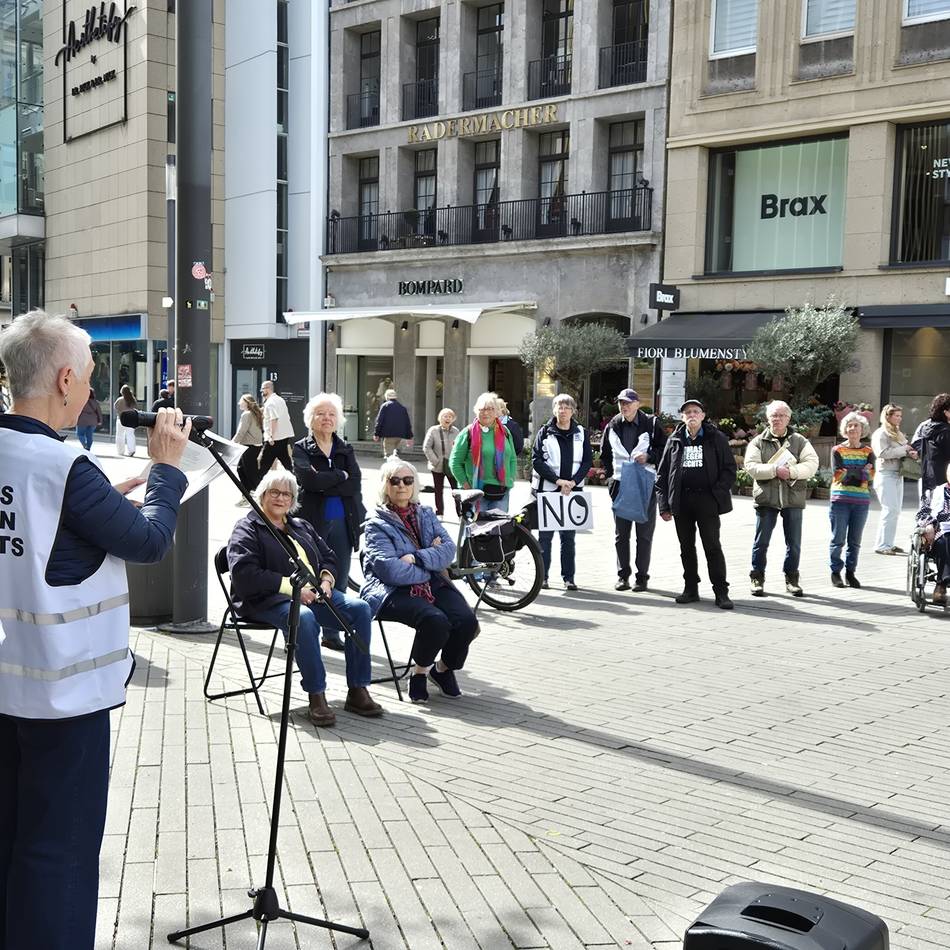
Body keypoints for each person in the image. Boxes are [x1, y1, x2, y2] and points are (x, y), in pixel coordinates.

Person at [0, 309, 190, 950]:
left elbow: (38, 534)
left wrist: (106, 495)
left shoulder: (31, 458)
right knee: (61, 851)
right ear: (61, 380)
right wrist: (165, 469)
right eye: (86, 375)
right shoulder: (63, 465)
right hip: (63, 697)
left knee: (8, 837)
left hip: (4, 685)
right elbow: (149, 539)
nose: (91, 389)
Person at [227, 469, 382, 727]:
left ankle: (357, 689)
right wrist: (295, 589)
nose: (280, 498)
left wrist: (326, 579)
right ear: (262, 495)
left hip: (316, 594)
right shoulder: (247, 528)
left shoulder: (301, 525)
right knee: (304, 617)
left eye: (287, 494)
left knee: (360, 609)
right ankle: (316, 695)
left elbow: (329, 556)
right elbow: (244, 574)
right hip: (268, 600)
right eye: (274, 492)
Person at [361, 459, 478, 703]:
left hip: (431, 583)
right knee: (436, 621)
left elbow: (448, 551)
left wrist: (415, 558)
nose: (401, 486)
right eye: (394, 480)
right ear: (385, 485)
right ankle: (419, 672)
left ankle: (442, 669)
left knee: (466, 621)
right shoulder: (376, 522)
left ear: (415, 485)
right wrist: (429, 563)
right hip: (390, 590)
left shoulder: (425, 513)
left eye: (407, 480)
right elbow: (390, 570)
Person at [293, 392, 365, 651]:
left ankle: (332, 633)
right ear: (310, 419)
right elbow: (308, 481)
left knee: (340, 578)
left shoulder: (345, 449)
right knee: (310, 577)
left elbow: (354, 484)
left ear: (338, 420)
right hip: (312, 523)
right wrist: (340, 476)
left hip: (344, 523)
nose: (326, 418)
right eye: (320, 414)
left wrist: (327, 479)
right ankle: (303, 629)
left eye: (331, 414)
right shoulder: (301, 448)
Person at [655, 398, 736, 610]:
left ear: (702, 416)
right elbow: (662, 474)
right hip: (682, 501)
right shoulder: (674, 439)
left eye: (695, 411)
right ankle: (691, 588)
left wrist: (716, 492)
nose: (691, 415)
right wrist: (664, 505)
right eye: (687, 412)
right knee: (686, 547)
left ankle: (721, 591)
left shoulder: (715, 438)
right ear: (682, 417)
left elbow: (729, 469)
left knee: (712, 546)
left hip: (707, 500)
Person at [743, 400, 820, 597]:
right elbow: (751, 466)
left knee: (793, 543)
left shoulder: (800, 441)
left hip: (792, 499)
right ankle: (757, 577)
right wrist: (775, 470)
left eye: (781, 416)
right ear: (768, 419)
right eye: (773, 416)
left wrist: (792, 472)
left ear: (788, 418)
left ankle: (792, 578)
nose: (777, 419)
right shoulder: (758, 441)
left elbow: (812, 464)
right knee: (761, 542)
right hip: (766, 499)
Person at [600, 388, 667, 592]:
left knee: (644, 534)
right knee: (621, 534)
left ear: (638, 404)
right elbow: (604, 454)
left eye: (628, 403)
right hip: (620, 484)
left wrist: (649, 458)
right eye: (621, 403)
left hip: (644, 483)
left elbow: (664, 450)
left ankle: (642, 577)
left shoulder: (652, 424)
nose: (624, 406)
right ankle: (623, 576)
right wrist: (611, 479)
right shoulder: (612, 425)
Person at [531, 394, 592, 591]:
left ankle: (569, 578)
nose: (563, 410)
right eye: (559, 406)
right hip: (549, 491)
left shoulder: (581, 433)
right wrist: (557, 480)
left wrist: (573, 482)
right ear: (554, 410)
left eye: (567, 407)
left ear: (573, 411)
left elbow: (587, 462)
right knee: (545, 538)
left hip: (572, 493)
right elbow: (537, 460)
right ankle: (543, 576)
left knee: (568, 538)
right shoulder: (545, 432)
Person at [449, 391, 517, 512]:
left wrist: (510, 479)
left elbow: (512, 458)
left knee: (498, 529)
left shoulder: (505, 431)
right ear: (476, 411)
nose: (486, 412)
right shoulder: (468, 432)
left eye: (490, 409)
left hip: (501, 493)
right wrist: (466, 485)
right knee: (477, 530)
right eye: (482, 409)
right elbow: (454, 462)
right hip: (476, 493)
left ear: (496, 412)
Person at [829, 411, 875, 589]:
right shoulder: (837, 450)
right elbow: (839, 475)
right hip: (840, 500)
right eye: (850, 425)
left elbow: (870, 476)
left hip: (861, 502)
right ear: (845, 430)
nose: (853, 428)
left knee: (855, 541)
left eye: (856, 425)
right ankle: (835, 572)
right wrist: (860, 471)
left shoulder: (868, 451)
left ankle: (850, 572)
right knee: (838, 539)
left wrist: (851, 471)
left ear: (862, 429)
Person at [872, 404, 917, 555]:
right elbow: (882, 453)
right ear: (887, 416)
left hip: (898, 474)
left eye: (900, 415)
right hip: (886, 474)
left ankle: (887, 543)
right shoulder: (881, 433)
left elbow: (905, 448)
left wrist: (911, 452)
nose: (899, 418)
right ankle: (883, 545)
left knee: (895, 511)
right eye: (896, 415)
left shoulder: (897, 433)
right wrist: (904, 450)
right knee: (889, 509)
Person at [916, 462, 950, 604]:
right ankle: (941, 585)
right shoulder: (935, 492)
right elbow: (922, 513)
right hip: (941, 530)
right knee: (945, 540)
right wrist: (928, 524)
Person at [422, 407, 460, 516]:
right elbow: (426, 447)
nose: (447, 418)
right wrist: (435, 460)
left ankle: (460, 513)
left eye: (450, 417)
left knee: (456, 490)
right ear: (440, 418)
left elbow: (460, 447)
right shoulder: (433, 430)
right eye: (445, 416)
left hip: (452, 466)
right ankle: (439, 513)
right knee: (438, 490)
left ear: (453, 419)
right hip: (437, 466)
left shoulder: (456, 431)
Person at [911, 393, 950, 498]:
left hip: (928, 477)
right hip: (944, 479)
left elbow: (917, 444)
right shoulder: (945, 431)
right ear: (946, 412)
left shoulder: (926, 427)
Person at [257, 379, 295, 484]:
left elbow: (274, 419)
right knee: (286, 463)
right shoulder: (280, 400)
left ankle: (256, 487)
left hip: (273, 439)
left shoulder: (270, 403)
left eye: (263, 389)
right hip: (283, 436)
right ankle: (297, 483)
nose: (261, 391)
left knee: (264, 465)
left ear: (268, 389)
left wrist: (271, 436)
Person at [232, 393, 264, 495]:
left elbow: (241, 432)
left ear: (246, 402)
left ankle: (260, 493)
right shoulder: (254, 414)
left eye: (241, 401)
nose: (238, 403)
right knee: (242, 469)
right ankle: (247, 493)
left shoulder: (247, 414)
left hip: (249, 446)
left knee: (250, 473)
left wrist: (232, 444)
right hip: (255, 446)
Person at [373, 388, 413, 457]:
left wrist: (376, 434)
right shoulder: (402, 408)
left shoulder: (385, 406)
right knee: (397, 456)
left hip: (389, 436)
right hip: (401, 436)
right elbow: (407, 423)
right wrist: (409, 437)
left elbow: (379, 421)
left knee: (389, 457)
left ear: (386, 397)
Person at [113, 383, 137, 456]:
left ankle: (120, 451)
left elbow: (115, 407)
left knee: (120, 435)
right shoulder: (132, 399)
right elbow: (135, 407)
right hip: (131, 419)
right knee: (130, 435)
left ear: (122, 392)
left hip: (121, 419)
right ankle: (131, 450)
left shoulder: (119, 400)